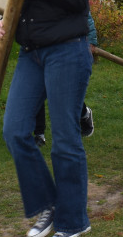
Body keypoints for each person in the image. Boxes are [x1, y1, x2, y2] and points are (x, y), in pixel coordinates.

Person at [0, 0, 93, 237]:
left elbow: (77, 1)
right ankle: (48, 205)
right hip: (31, 53)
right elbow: (22, 1)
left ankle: (75, 219)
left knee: (65, 138)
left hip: (67, 50)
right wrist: (9, 19)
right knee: (15, 130)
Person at [33, 11, 96, 146]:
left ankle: (84, 113)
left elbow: (84, 12)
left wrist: (91, 41)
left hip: (64, 47)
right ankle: (39, 134)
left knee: (62, 92)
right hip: (38, 45)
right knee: (37, 88)